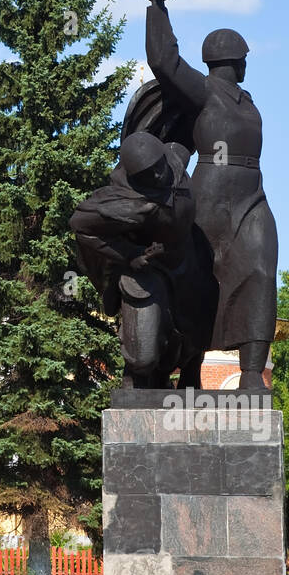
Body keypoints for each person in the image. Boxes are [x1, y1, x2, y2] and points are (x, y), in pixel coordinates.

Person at [144, 0, 278, 391]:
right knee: (200, 281)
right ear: (233, 60)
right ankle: (190, 370)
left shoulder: (248, 99)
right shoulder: (204, 91)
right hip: (211, 193)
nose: (245, 64)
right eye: (243, 58)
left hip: (250, 194)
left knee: (260, 269)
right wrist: (157, 5)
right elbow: (164, 60)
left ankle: (251, 375)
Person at [69, 132, 213, 387]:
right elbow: (80, 224)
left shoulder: (174, 157)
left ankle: (187, 375)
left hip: (188, 262)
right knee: (143, 358)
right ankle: (136, 375)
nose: (158, 175)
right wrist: (130, 255)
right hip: (149, 270)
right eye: (148, 174)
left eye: (158, 167)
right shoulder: (128, 203)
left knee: (198, 329)